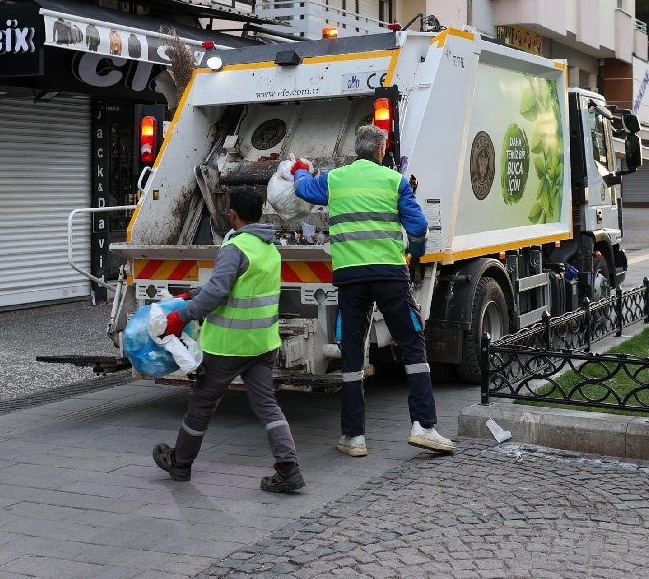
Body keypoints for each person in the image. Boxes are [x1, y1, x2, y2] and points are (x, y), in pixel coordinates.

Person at [290, 124, 455, 458]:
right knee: (412, 344)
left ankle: (354, 438)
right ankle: (423, 427)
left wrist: (299, 170)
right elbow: (419, 227)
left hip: (350, 278)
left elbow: (304, 190)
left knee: (352, 353)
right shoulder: (395, 181)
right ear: (381, 150)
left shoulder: (335, 179)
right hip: (390, 276)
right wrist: (416, 254)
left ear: (357, 150)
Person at [152, 186, 304, 493]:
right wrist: (192, 295)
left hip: (228, 346)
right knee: (267, 407)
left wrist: (181, 317)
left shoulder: (235, 248)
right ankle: (289, 469)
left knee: (202, 403)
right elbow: (234, 288)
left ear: (232, 214)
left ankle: (180, 462)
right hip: (262, 344)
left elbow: (219, 292)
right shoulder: (269, 248)